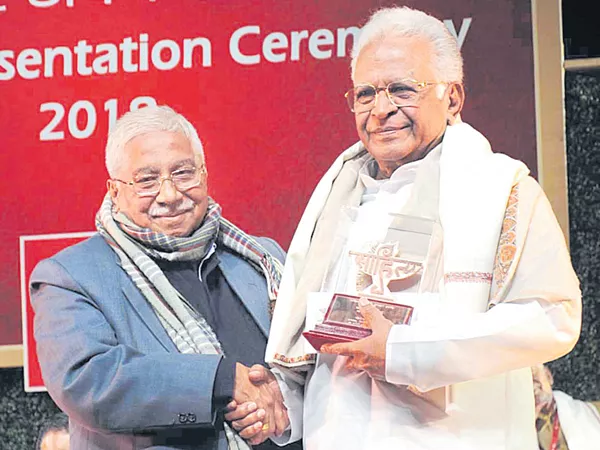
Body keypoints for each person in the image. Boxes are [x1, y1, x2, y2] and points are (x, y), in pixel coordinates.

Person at [255, 6, 581, 450]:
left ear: (453, 98)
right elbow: (318, 343)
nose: (381, 109)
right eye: (365, 93)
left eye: (401, 89)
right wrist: (281, 402)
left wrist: (405, 350)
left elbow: (553, 316)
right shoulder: (336, 195)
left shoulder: (502, 188)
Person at [30, 106, 302, 449]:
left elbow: (312, 359)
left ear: (204, 174)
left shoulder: (263, 257)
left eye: (183, 173)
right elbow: (89, 381)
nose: (170, 194)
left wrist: (285, 399)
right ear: (114, 191)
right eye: (146, 180)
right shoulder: (70, 276)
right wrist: (220, 380)